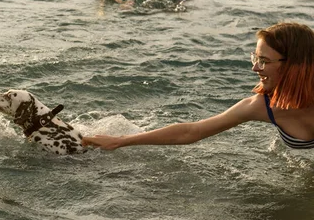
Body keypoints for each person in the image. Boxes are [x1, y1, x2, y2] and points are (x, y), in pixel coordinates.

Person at [82, 22, 314, 150]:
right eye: (255, 58)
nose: (255, 68)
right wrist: (121, 141)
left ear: (294, 65)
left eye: (264, 61)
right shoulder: (261, 106)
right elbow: (193, 131)